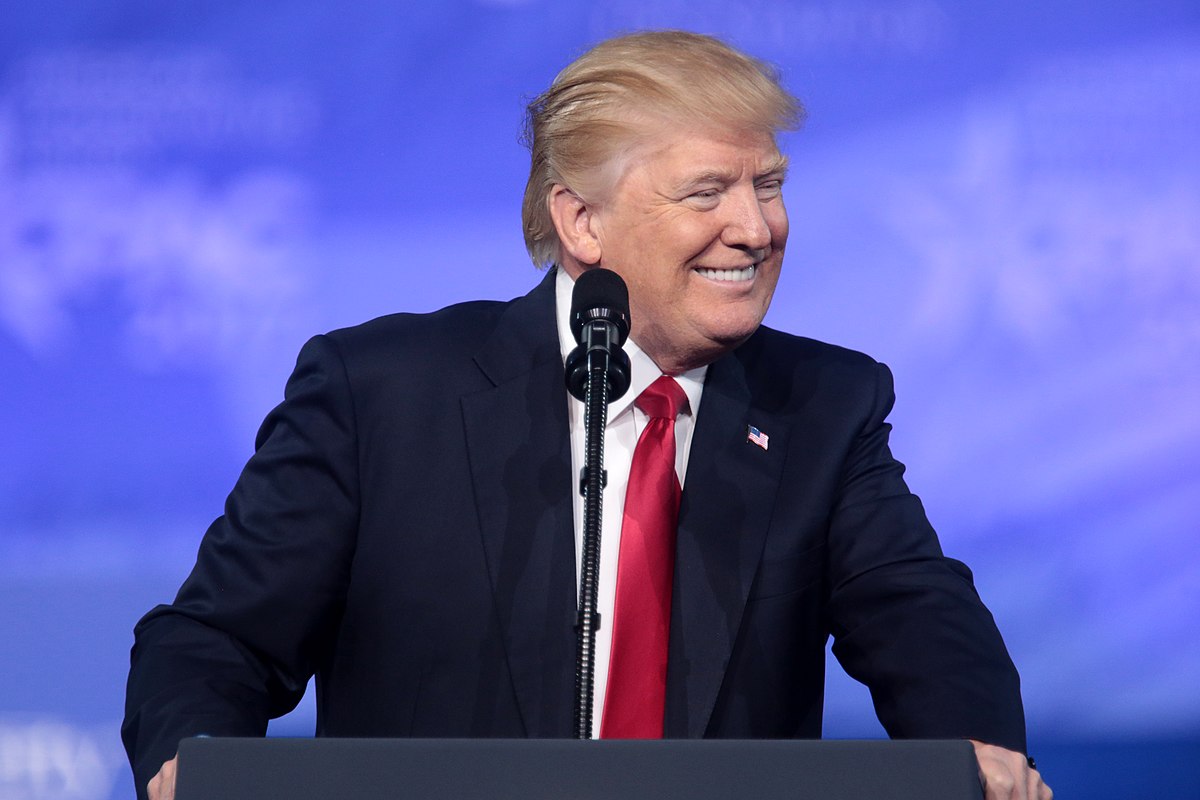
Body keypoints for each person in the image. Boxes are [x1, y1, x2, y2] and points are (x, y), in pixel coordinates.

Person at [123, 30, 1051, 800]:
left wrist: (979, 753)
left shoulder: (823, 406)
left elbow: (923, 620)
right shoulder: (380, 393)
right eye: (707, 192)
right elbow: (217, 642)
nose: (757, 227)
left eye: (767, 184)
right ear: (582, 223)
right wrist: (189, 765)